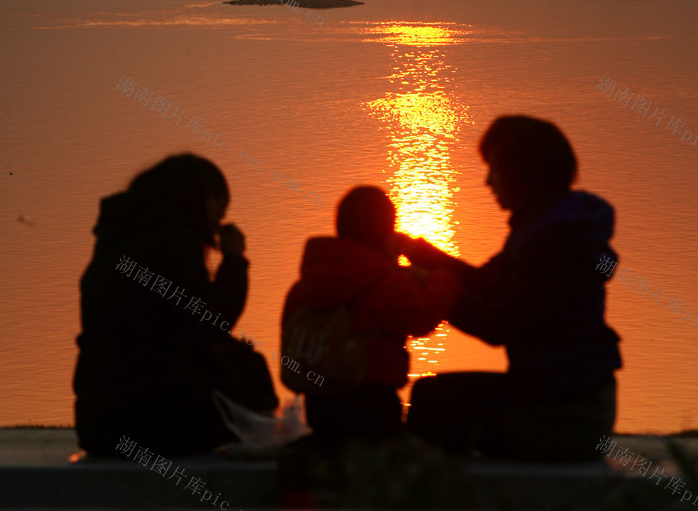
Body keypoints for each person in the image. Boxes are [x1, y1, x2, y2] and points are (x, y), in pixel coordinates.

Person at [402, 116, 622, 462]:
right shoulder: (547, 226)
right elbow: (487, 282)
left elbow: (498, 327)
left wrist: (435, 289)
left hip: (565, 416)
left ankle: (423, 487)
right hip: (572, 400)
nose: (487, 181)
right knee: (434, 396)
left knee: (435, 404)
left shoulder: (552, 243)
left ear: (523, 173)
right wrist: (414, 250)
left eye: (495, 169)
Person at [73, 153, 277, 456]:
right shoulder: (172, 240)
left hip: (100, 424)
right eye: (219, 204)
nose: (220, 217)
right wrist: (234, 260)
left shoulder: (116, 239)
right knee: (250, 367)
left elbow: (166, 328)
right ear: (201, 199)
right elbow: (213, 321)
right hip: (156, 421)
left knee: (231, 355)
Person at [280, 185, 461, 448]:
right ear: (387, 234)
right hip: (373, 406)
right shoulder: (384, 283)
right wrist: (446, 278)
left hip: (318, 407)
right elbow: (424, 314)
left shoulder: (303, 288)